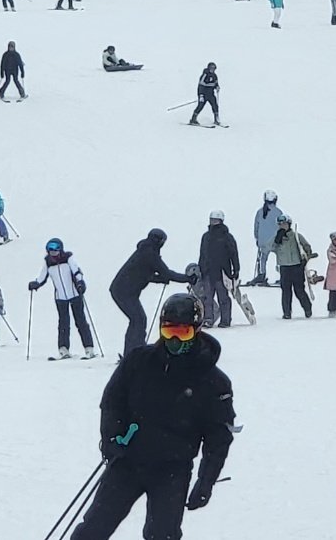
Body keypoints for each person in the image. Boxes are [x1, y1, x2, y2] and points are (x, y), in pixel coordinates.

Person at [65, 293, 234, 540]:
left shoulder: (213, 381)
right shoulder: (138, 361)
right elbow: (112, 402)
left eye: (183, 332)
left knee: (162, 534)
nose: (175, 340)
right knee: (94, 528)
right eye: (169, 332)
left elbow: (218, 436)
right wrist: (112, 439)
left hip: (172, 470)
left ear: (197, 330)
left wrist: (206, 480)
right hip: (127, 462)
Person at [110, 229, 195, 354]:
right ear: (158, 241)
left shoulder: (145, 251)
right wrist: (187, 279)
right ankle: (134, 352)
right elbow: (165, 272)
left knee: (137, 320)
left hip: (122, 290)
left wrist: (160, 279)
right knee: (138, 320)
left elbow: (145, 274)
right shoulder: (149, 254)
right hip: (124, 292)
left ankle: (132, 351)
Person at [28, 238, 96, 359]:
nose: (53, 251)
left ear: (61, 248)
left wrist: (80, 282)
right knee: (63, 323)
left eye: (56, 248)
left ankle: (89, 348)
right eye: (50, 249)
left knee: (80, 321)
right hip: (60, 297)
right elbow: (42, 277)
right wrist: (36, 283)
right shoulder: (48, 262)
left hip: (75, 294)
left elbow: (76, 271)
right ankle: (63, 349)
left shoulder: (68, 258)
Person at [197, 211, 239, 328]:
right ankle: (208, 319)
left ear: (221, 221)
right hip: (208, 272)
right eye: (212, 220)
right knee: (207, 298)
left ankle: (225, 320)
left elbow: (234, 254)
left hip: (222, 272)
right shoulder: (206, 236)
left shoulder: (227, 237)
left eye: (216, 220)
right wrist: (201, 268)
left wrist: (236, 270)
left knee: (223, 297)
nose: (213, 222)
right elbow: (202, 253)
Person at [272, 216, 314, 319]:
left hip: (297, 266)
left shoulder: (296, 236)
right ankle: (287, 312)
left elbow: (307, 247)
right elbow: (271, 248)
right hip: (284, 267)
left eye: (284, 224)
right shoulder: (277, 237)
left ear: (289, 224)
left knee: (299, 290)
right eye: (280, 224)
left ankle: (307, 308)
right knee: (286, 291)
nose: (282, 226)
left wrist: (305, 258)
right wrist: (277, 240)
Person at [250, 191, 285, 286]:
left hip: (263, 241)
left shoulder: (260, 212)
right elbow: (282, 226)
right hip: (276, 241)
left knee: (262, 259)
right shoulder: (279, 212)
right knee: (280, 258)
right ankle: (283, 276)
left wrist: (257, 238)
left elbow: (256, 226)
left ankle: (261, 275)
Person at [188, 62, 220, 127]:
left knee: (215, 105)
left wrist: (217, 87)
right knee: (200, 106)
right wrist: (201, 95)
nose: (212, 70)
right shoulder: (205, 74)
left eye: (214, 68)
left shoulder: (215, 75)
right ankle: (193, 119)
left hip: (211, 94)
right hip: (203, 94)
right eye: (211, 68)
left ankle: (216, 119)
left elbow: (216, 83)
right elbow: (201, 84)